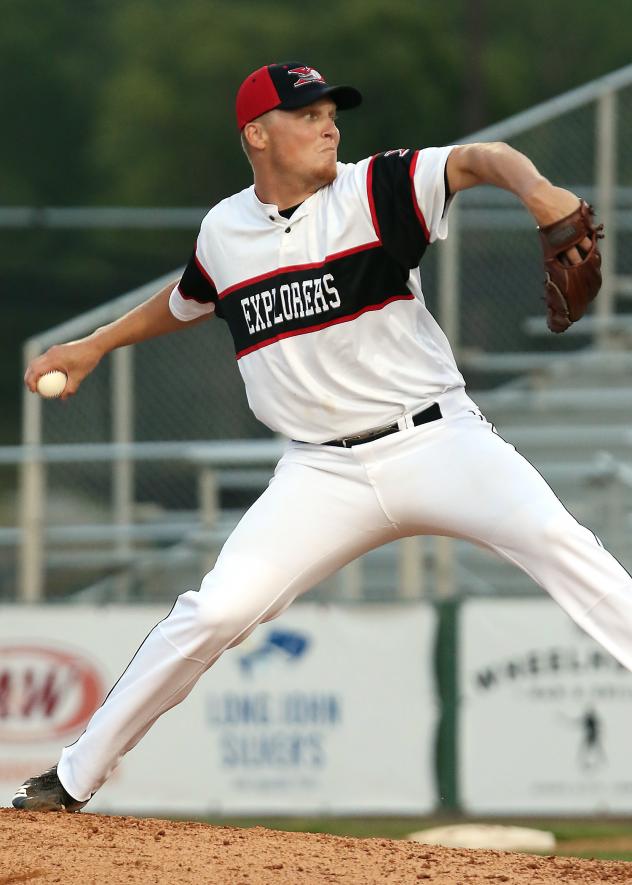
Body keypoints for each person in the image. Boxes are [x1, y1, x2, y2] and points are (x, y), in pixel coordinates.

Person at [13, 61, 632, 812]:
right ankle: (72, 778)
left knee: (566, 549)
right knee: (213, 611)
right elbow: (187, 300)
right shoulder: (225, 231)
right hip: (320, 476)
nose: (328, 124)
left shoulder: (374, 190)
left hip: (436, 440)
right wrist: (94, 345)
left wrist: (540, 194)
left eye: (330, 111)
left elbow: (477, 160)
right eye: (306, 114)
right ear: (257, 134)